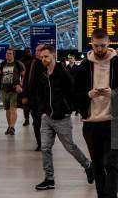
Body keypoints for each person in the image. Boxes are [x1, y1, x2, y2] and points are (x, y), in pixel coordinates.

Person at [74, 28, 118, 198]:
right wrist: (89, 95)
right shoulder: (83, 67)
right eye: (96, 46)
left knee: (111, 163)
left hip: (115, 121)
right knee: (98, 165)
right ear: (91, 44)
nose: (100, 49)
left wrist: (113, 94)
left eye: (103, 45)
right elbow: (75, 95)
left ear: (109, 44)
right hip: (91, 123)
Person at [34, 45, 94, 190]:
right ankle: (49, 179)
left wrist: (72, 110)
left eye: (46, 56)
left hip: (62, 117)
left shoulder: (63, 73)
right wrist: (42, 111)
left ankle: (88, 165)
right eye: (42, 57)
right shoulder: (43, 74)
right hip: (47, 117)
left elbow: (72, 93)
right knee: (45, 147)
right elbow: (41, 94)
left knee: (70, 147)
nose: (44, 59)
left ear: (54, 56)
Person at [0, 49, 25, 135]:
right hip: (4, 90)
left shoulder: (18, 64)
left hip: (14, 90)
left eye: (9, 54)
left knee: (13, 109)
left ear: (13, 55)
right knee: (7, 110)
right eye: (6, 53)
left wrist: (20, 85)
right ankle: (9, 126)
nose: (7, 55)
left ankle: (12, 127)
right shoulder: (3, 63)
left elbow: (25, 75)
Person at [22, 45, 44, 150]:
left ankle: (45, 142)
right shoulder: (31, 64)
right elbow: (25, 81)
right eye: (36, 50)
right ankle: (40, 143)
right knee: (36, 122)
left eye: (39, 50)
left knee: (45, 123)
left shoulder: (48, 64)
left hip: (45, 99)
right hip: (33, 98)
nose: (36, 52)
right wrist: (24, 95)